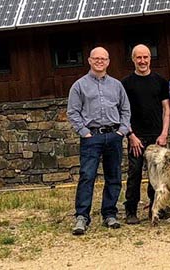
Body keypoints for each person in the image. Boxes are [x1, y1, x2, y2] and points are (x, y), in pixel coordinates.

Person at [67, 47, 131, 235]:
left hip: (113, 136)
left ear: (108, 62)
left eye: (103, 59)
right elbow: (73, 111)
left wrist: (122, 131)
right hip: (91, 137)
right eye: (96, 58)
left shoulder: (117, 85)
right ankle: (82, 217)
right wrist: (84, 132)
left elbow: (125, 109)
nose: (100, 61)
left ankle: (109, 214)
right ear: (89, 60)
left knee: (114, 176)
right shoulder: (79, 85)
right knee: (87, 176)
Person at [121, 44, 170, 225]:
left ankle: (155, 209)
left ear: (150, 58)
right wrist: (131, 135)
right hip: (136, 137)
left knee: (156, 175)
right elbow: (122, 112)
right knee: (134, 174)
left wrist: (164, 133)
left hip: (157, 136)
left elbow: (166, 109)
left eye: (145, 57)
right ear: (133, 59)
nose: (142, 61)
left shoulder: (160, 81)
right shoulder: (125, 84)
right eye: (138, 58)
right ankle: (131, 210)